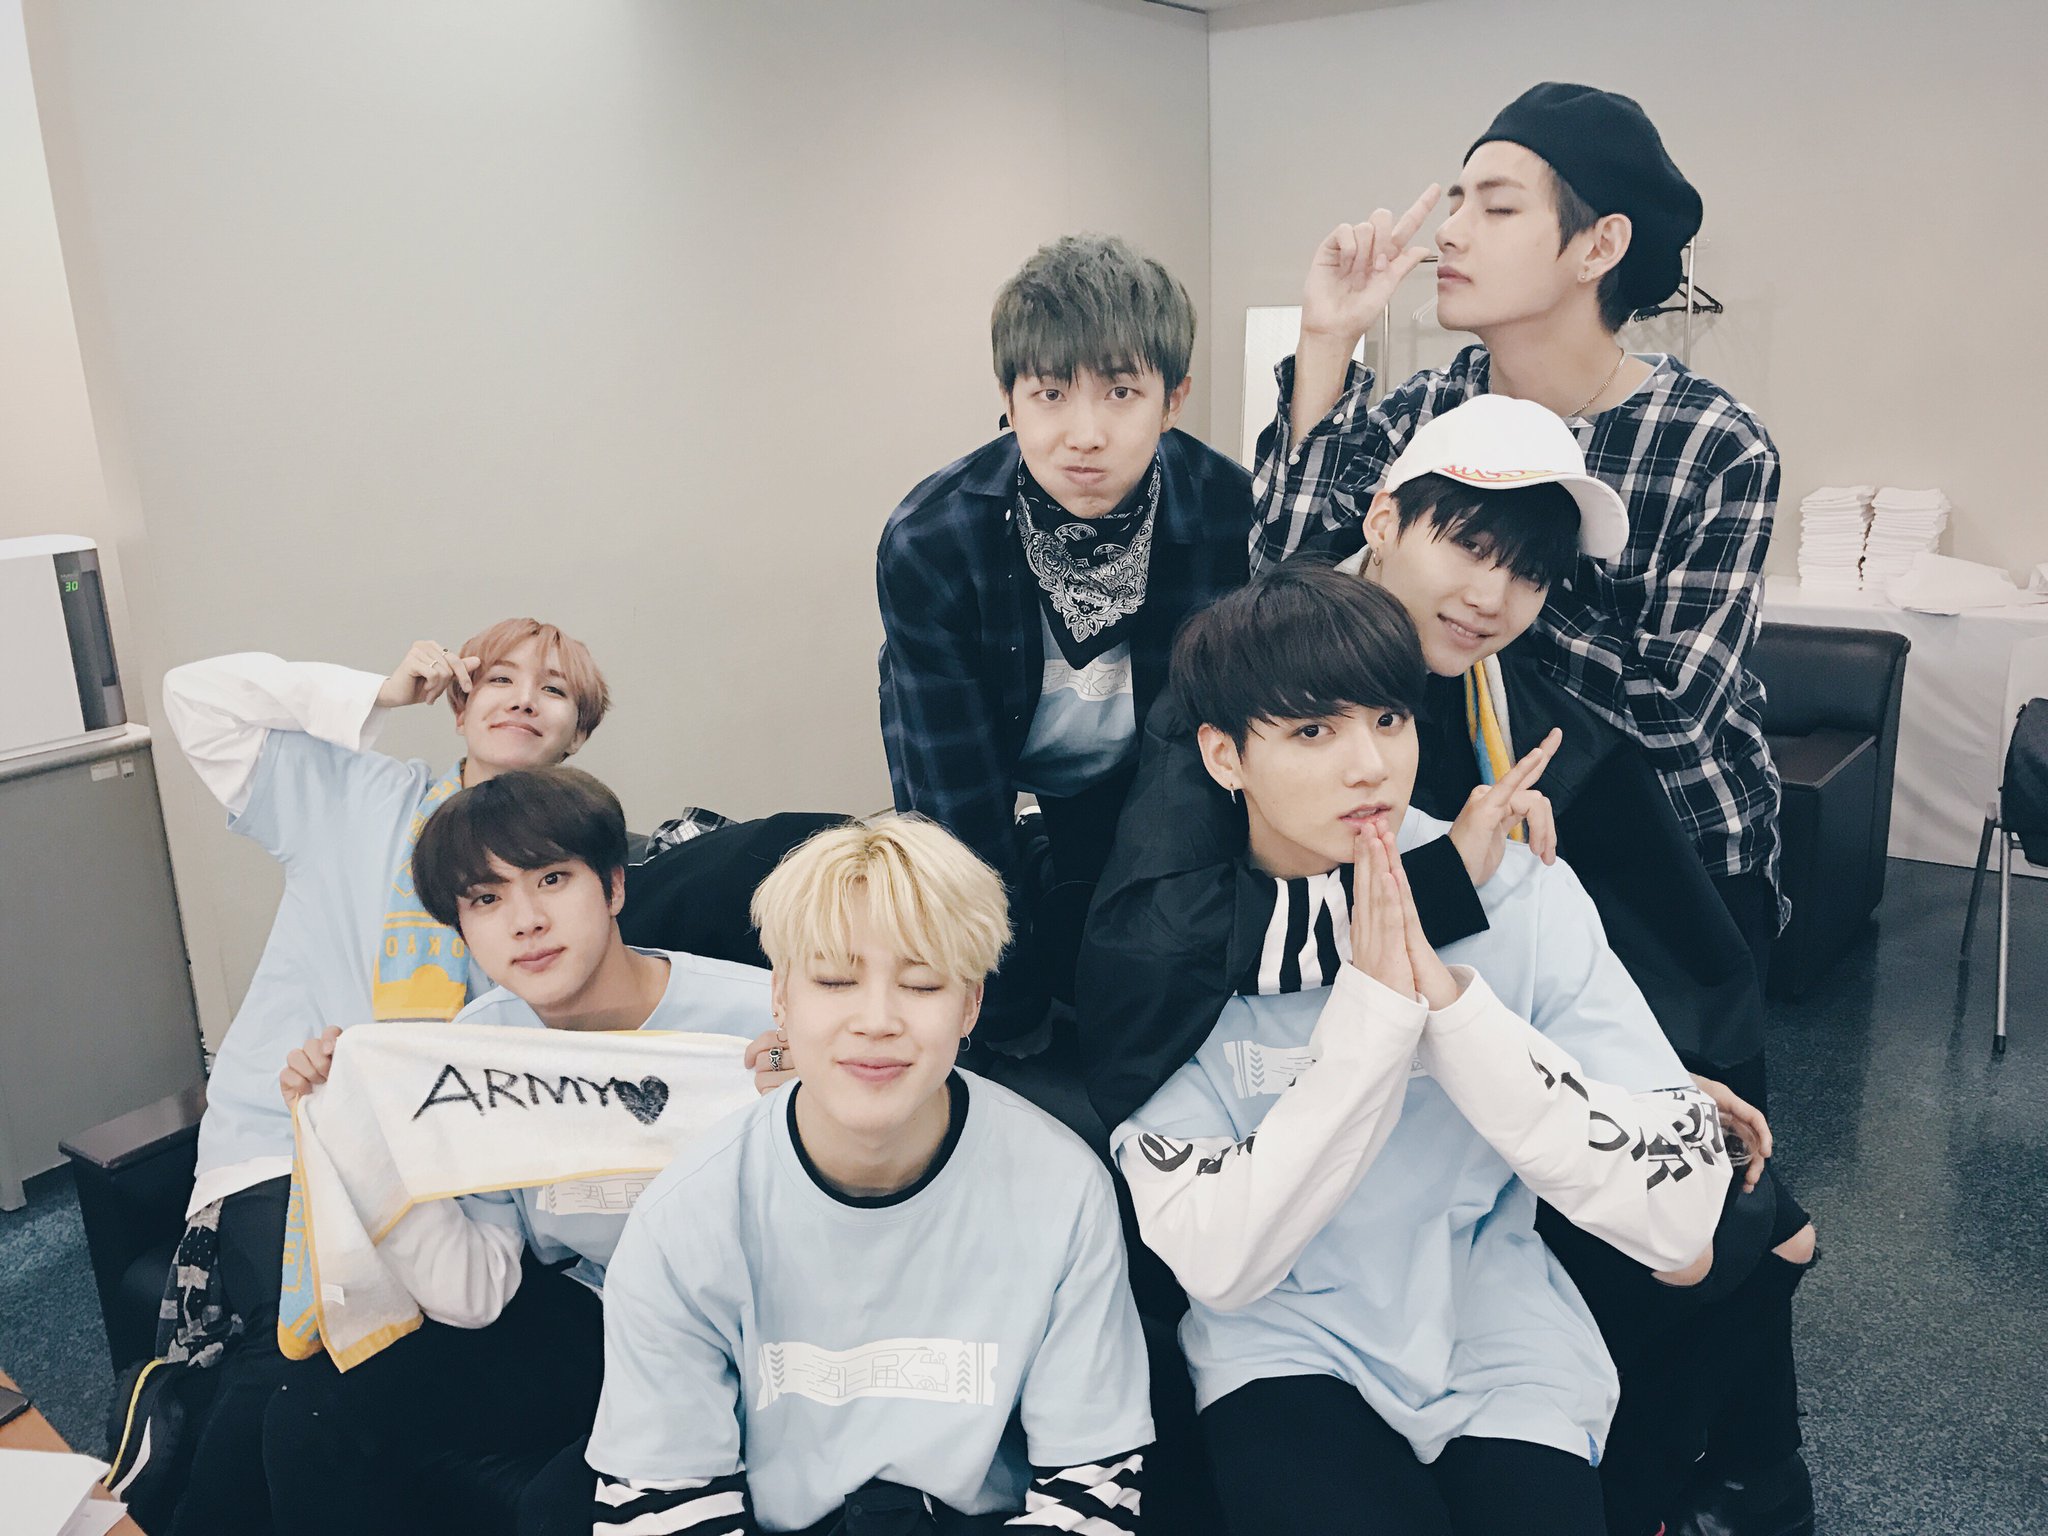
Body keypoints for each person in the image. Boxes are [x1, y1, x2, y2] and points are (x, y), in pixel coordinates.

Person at [1084, 396, 1816, 1534]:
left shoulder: (1503, 761)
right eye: (1314, 730)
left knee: (1746, 1240)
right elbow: (1168, 963)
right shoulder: (1204, 798)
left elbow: (1666, 1190)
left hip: (1488, 1295)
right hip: (1284, 1307)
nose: (1366, 767)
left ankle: (1740, 1481)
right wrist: (1407, 963)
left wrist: (1588, 1060)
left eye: (1388, 719)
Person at [1249, 84, 1787, 1106]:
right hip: (1477, 836)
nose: (1450, 232)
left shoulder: (1711, 444)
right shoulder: (1432, 405)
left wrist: (1469, 584)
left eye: (1496, 207)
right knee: (1484, 1143)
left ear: (1598, 247)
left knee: (1669, 1148)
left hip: (1669, 860)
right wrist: (1327, 343)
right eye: (1457, 201)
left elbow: (1671, 711)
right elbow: (1285, 588)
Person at [149, 620, 609, 1536]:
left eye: (554, 690)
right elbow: (194, 697)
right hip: (289, 1140)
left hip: (449, 1183)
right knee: (296, 1369)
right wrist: (378, 692)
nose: (524, 698)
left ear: (577, 734)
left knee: (330, 1393)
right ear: (459, 704)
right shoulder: (357, 798)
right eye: (500, 678)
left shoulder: (571, 871)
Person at [585, 814, 1154, 1533]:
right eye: (835, 979)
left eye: (921, 984)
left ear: (971, 1004)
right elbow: (662, 1501)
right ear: (781, 998)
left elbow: (1091, 1487)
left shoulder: (1062, 1188)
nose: (877, 1019)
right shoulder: (686, 1214)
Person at [257, 766, 770, 1535]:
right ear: (462, 930)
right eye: (486, 899)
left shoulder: (759, 1019)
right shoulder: (478, 1051)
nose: (525, 921)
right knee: (309, 1413)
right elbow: (476, 1292)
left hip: (749, 1327)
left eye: (552, 879)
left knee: (560, 1510)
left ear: (614, 888)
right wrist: (371, 1134)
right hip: (597, 1313)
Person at [878, 233, 1252, 1045]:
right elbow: (958, 813)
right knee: (969, 910)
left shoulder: (1227, 511)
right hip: (989, 749)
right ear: (1009, 399)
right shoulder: (933, 541)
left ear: (1174, 400)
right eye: (1051, 393)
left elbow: (1199, 783)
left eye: (1121, 392)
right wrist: (1005, 1019)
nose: (1085, 434)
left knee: (1122, 946)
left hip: (1139, 758)